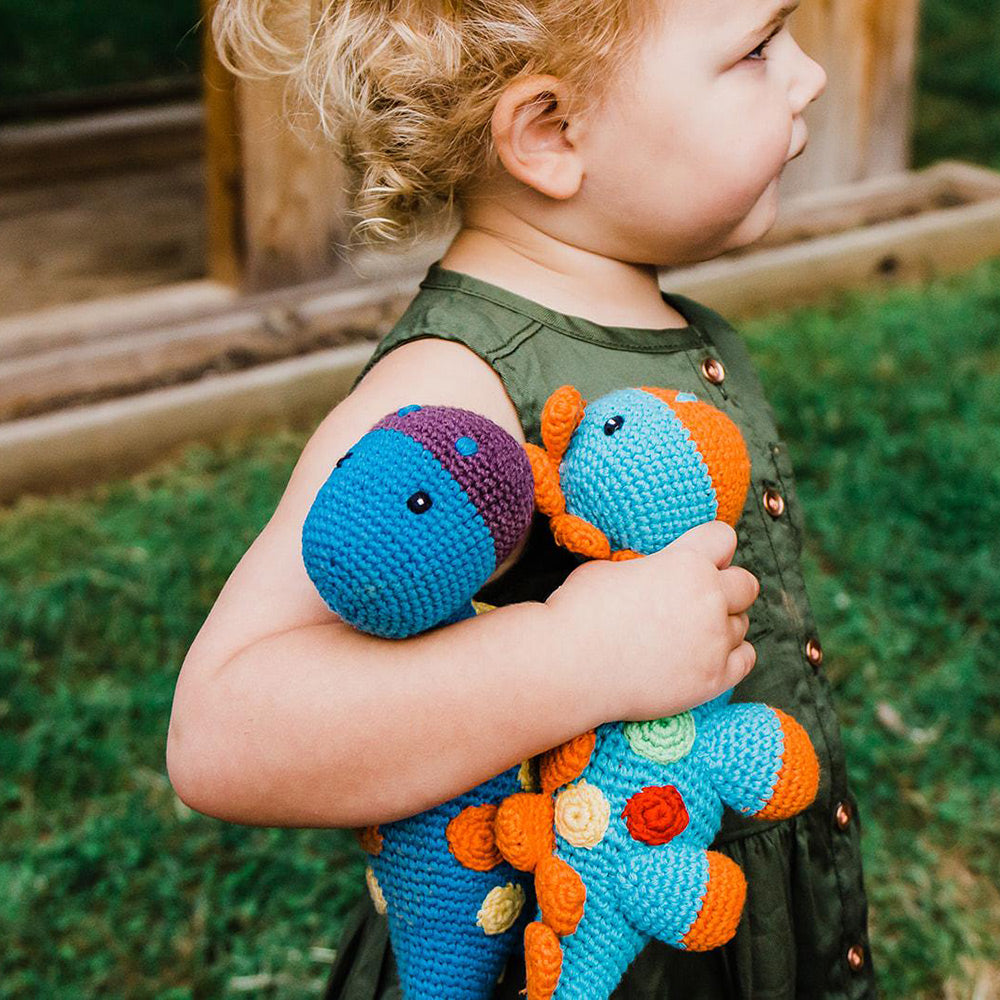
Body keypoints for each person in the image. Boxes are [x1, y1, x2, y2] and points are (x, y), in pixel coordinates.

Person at [166, 1, 876, 997]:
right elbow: (222, 731)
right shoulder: (458, 389)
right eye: (757, 49)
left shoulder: (660, 313)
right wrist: (573, 658)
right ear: (550, 134)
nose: (807, 76)